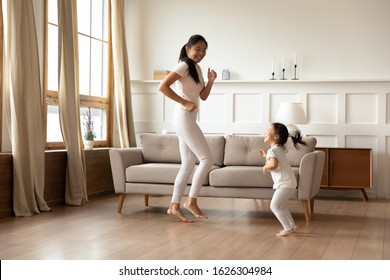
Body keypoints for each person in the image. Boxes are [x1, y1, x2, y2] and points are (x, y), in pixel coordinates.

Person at [158, 34, 217, 223]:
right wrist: (184, 102)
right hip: (183, 117)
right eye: (198, 49)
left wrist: (210, 81)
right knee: (207, 159)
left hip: (189, 118)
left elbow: (203, 96)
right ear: (187, 49)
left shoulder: (196, 68)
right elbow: (163, 86)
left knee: (188, 164)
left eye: (204, 49)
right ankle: (191, 201)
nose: (201, 53)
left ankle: (174, 206)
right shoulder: (183, 65)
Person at [259, 122, 306, 237]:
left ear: (276, 136)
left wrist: (266, 166)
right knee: (281, 206)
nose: (265, 133)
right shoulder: (278, 148)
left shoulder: (273, 150)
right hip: (289, 183)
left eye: (268, 131)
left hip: (284, 184)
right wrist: (266, 156)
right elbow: (277, 160)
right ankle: (292, 226)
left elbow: (274, 165)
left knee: (274, 206)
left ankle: (288, 228)